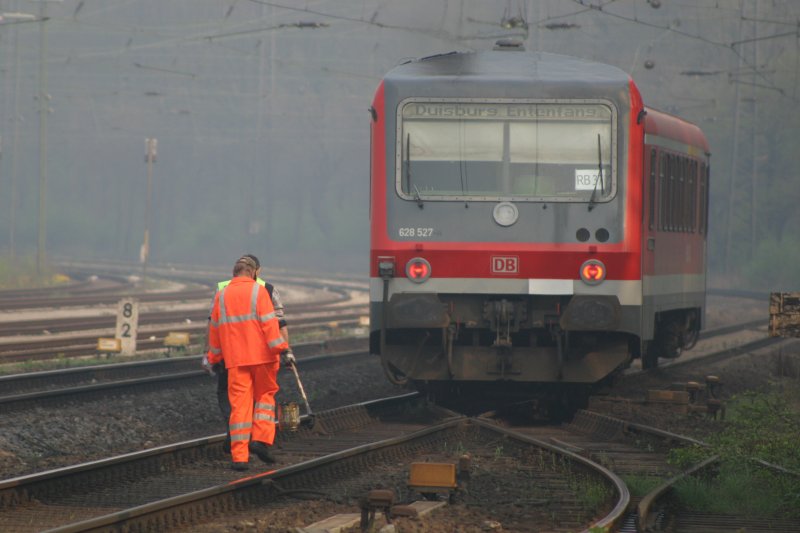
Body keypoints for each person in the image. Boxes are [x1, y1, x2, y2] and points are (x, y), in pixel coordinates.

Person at [203, 254, 294, 455]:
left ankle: (238, 452)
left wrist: (210, 355)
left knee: (234, 402)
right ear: (256, 271)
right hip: (262, 357)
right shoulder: (265, 289)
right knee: (263, 397)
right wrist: (284, 349)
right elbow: (277, 324)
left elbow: (213, 324)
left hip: (232, 357)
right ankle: (259, 440)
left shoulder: (222, 290)